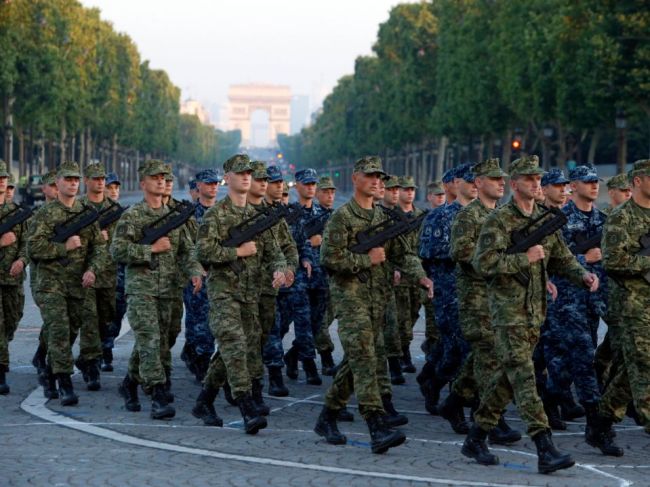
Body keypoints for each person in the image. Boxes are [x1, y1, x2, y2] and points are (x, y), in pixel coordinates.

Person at [461, 155, 600, 474]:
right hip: (507, 312)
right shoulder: (499, 220)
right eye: (528, 179)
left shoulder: (544, 217)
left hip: (535, 310)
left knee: (508, 380)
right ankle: (544, 447)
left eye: (538, 178)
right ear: (514, 185)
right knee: (524, 377)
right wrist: (523, 259)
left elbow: (562, 258)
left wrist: (583, 275)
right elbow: (484, 263)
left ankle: (476, 435)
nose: (536, 183)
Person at [314, 156, 433, 455]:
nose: (377, 181)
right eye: (370, 176)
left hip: (378, 299)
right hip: (350, 298)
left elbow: (403, 254)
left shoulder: (384, 218)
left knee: (357, 361)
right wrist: (367, 260)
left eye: (380, 176)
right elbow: (329, 258)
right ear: (355, 178)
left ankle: (327, 417)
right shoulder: (342, 217)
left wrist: (420, 277)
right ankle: (376, 424)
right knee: (366, 358)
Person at [194, 154, 286, 434]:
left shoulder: (258, 217)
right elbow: (204, 252)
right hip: (223, 293)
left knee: (236, 351)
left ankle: (205, 400)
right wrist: (237, 251)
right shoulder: (216, 215)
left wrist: (280, 269)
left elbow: (274, 252)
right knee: (234, 346)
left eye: (249, 173)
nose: (247, 177)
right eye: (240, 173)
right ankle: (247, 407)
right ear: (228, 178)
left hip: (251, 294)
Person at [111, 160, 202, 420]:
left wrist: (194, 270)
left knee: (165, 340)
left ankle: (130, 382)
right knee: (150, 340)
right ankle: (158, 394)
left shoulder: (175, 217)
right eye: (155, 177)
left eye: (164, 177)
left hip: (171, 289)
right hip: (142, 289)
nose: (161, 181)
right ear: (143, 183)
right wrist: (149, 249)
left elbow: (188, 250)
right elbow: (116, 250)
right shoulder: (133, 216)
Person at [447, 158, 521, 444]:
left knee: (486, 355)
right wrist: (496, 260)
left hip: (500, 296)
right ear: (478, 183)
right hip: (476, 296)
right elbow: (460, 252)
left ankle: (454, 401)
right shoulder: (468, 216)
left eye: (502, 179)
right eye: (494, 179)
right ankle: (492, 418)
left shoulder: (503, 215)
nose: (501, 183)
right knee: (490, 355)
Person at [27, 161, 108, 406]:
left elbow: (99, 248)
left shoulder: (86, 214)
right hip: (51, 284)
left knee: (71, 330)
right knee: (60, 331)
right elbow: (33, 247)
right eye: (68, 180)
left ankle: (51, 373)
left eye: (75, 180)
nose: (72, 183)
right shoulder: (45, 214)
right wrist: (63, 247)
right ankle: (65, 383)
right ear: (58, 183)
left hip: (77, 285)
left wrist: (93, 270)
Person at [418, 163, 477, 427]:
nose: (475, 184)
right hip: (448, 291)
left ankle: (434, 380)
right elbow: (428, 251)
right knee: (460, 349)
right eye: (469, 180)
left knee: (459, 350)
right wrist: (467, 251)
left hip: (477, 293)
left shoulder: (484, 214)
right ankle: (457, 406)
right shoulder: (439, 217)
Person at [598, 159, 650, 438]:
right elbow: (613, 261)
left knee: (631, 372)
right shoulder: (621, 217)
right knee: (645, 365)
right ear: (638, 181)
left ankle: (603, 417)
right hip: (632, 305)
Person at [281, 168, 327, 385]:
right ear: (297, 185)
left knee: (317, 323)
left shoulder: (324, 214)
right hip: (298, 276)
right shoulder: (290, 214)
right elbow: (286, 244)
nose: (310, 187)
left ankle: (292, 355)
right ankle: (308, 363)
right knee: (301, 321)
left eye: (313, 184)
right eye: (306, 184)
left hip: (321, 275)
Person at [75, 162, 118, 391]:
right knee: (89, 320)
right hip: (84, 273)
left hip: (108, 273)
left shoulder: (114, 209)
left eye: (102, 178)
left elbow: (121, 241)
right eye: (95, 178)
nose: (100, 182)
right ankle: (91, 365)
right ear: (87, 181)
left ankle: (90, 356)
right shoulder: (78, 208)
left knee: (105, 319)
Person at [260, 165, 299, 397]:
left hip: (279, 285)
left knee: (277, 327)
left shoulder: (277, 214)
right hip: (252, 287)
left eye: (280, 182)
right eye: (273, 182)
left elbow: (288, 247)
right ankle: (274, 376)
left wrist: (289, 268)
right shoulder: (250, 212)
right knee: (265, 332)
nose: (279, 186)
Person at [181, 169, 221, 382]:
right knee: (198, 322)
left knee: (213, 323)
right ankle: (200, 360)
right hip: (197, 276)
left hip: (219, 277)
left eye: (216, 183)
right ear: (198, 187)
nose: (213, 186)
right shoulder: (189, 215)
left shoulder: (223, 213)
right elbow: (186, 247)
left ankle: (199, 355)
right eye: (208, 183)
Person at [29, 170, 59, 396]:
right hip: (45, 278)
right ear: (45, 189)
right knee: (55, 322)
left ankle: (42, 353)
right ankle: (52, 369)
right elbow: (32, 251)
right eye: (51, 186)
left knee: (61, 325)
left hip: (70, 280)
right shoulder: (38, 215)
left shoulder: (73, 214)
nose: (55, 190)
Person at [0, 161, 28, 395]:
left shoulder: (17, 213)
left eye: (4, 177)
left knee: (12, 318)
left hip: (12, 279)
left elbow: (29, 243)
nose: (2, 181)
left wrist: (21, 260)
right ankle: (1, 370)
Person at [394, 176, 426, 374]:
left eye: (412, 190)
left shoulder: (421, 215)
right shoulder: (392, 216)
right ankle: (403, 353)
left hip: (419, 272)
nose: (409, 193)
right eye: (405, 190)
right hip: (400, 274)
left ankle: (402, 347)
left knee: (414, 313)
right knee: (401, 317)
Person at [313, 175, 337, 376]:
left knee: (325, 318)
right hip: (313, 277)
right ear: (317, 193)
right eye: (325, 192)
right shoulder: (310, 215)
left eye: (332, 192)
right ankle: (326, 357)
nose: (330, 195)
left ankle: (294, 353)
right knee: (318, 320)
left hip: (333, 277)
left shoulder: (336, 216)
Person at [101, 172, 124, 372]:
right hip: (99, 271)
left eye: (116, 187)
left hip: (119, 272)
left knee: (117, 311)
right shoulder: (96, 214)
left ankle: (106, 345)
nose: (114, 191)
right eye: (110, 187)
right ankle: (101, 350)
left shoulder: (123, 213)